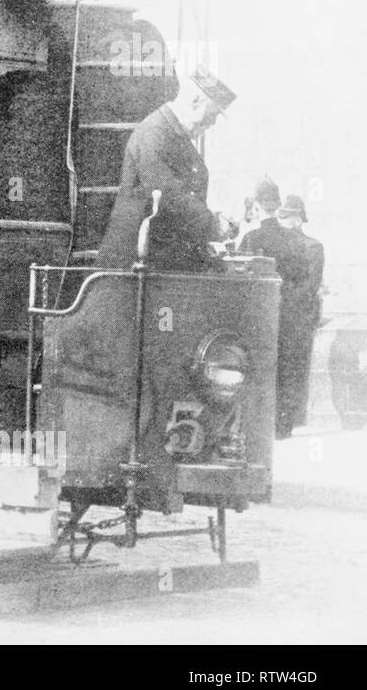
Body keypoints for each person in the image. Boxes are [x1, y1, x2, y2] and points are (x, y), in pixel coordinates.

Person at [96, 67, 238, 271]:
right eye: (212, 114)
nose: (213, 122)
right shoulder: (154, 133)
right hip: (136, 264)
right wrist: (213, 224)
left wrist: (215, 220)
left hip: (159, 259)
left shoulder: (173, 135)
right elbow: (168, 194)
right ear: (196, 101)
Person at [238, 180, 310, 439]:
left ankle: (258, 424)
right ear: (278, 205)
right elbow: (303, 276)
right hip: (287, 312)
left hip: (259, 315)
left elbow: (241, 281)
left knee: (258, 365)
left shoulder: (250, 238)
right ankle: (283, 426)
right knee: (285, 367)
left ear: (256, 206)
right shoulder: (294, 240)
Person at [276, 193, 324, 435]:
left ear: (299, 219)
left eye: (289, 216)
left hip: (296, 318)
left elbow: (310, 286)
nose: (284, 220)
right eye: (282, 215)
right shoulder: (276, 244)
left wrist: (283, 301)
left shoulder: (313, 247)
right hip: (276, 315)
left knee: (293, 369)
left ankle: (287, 422)